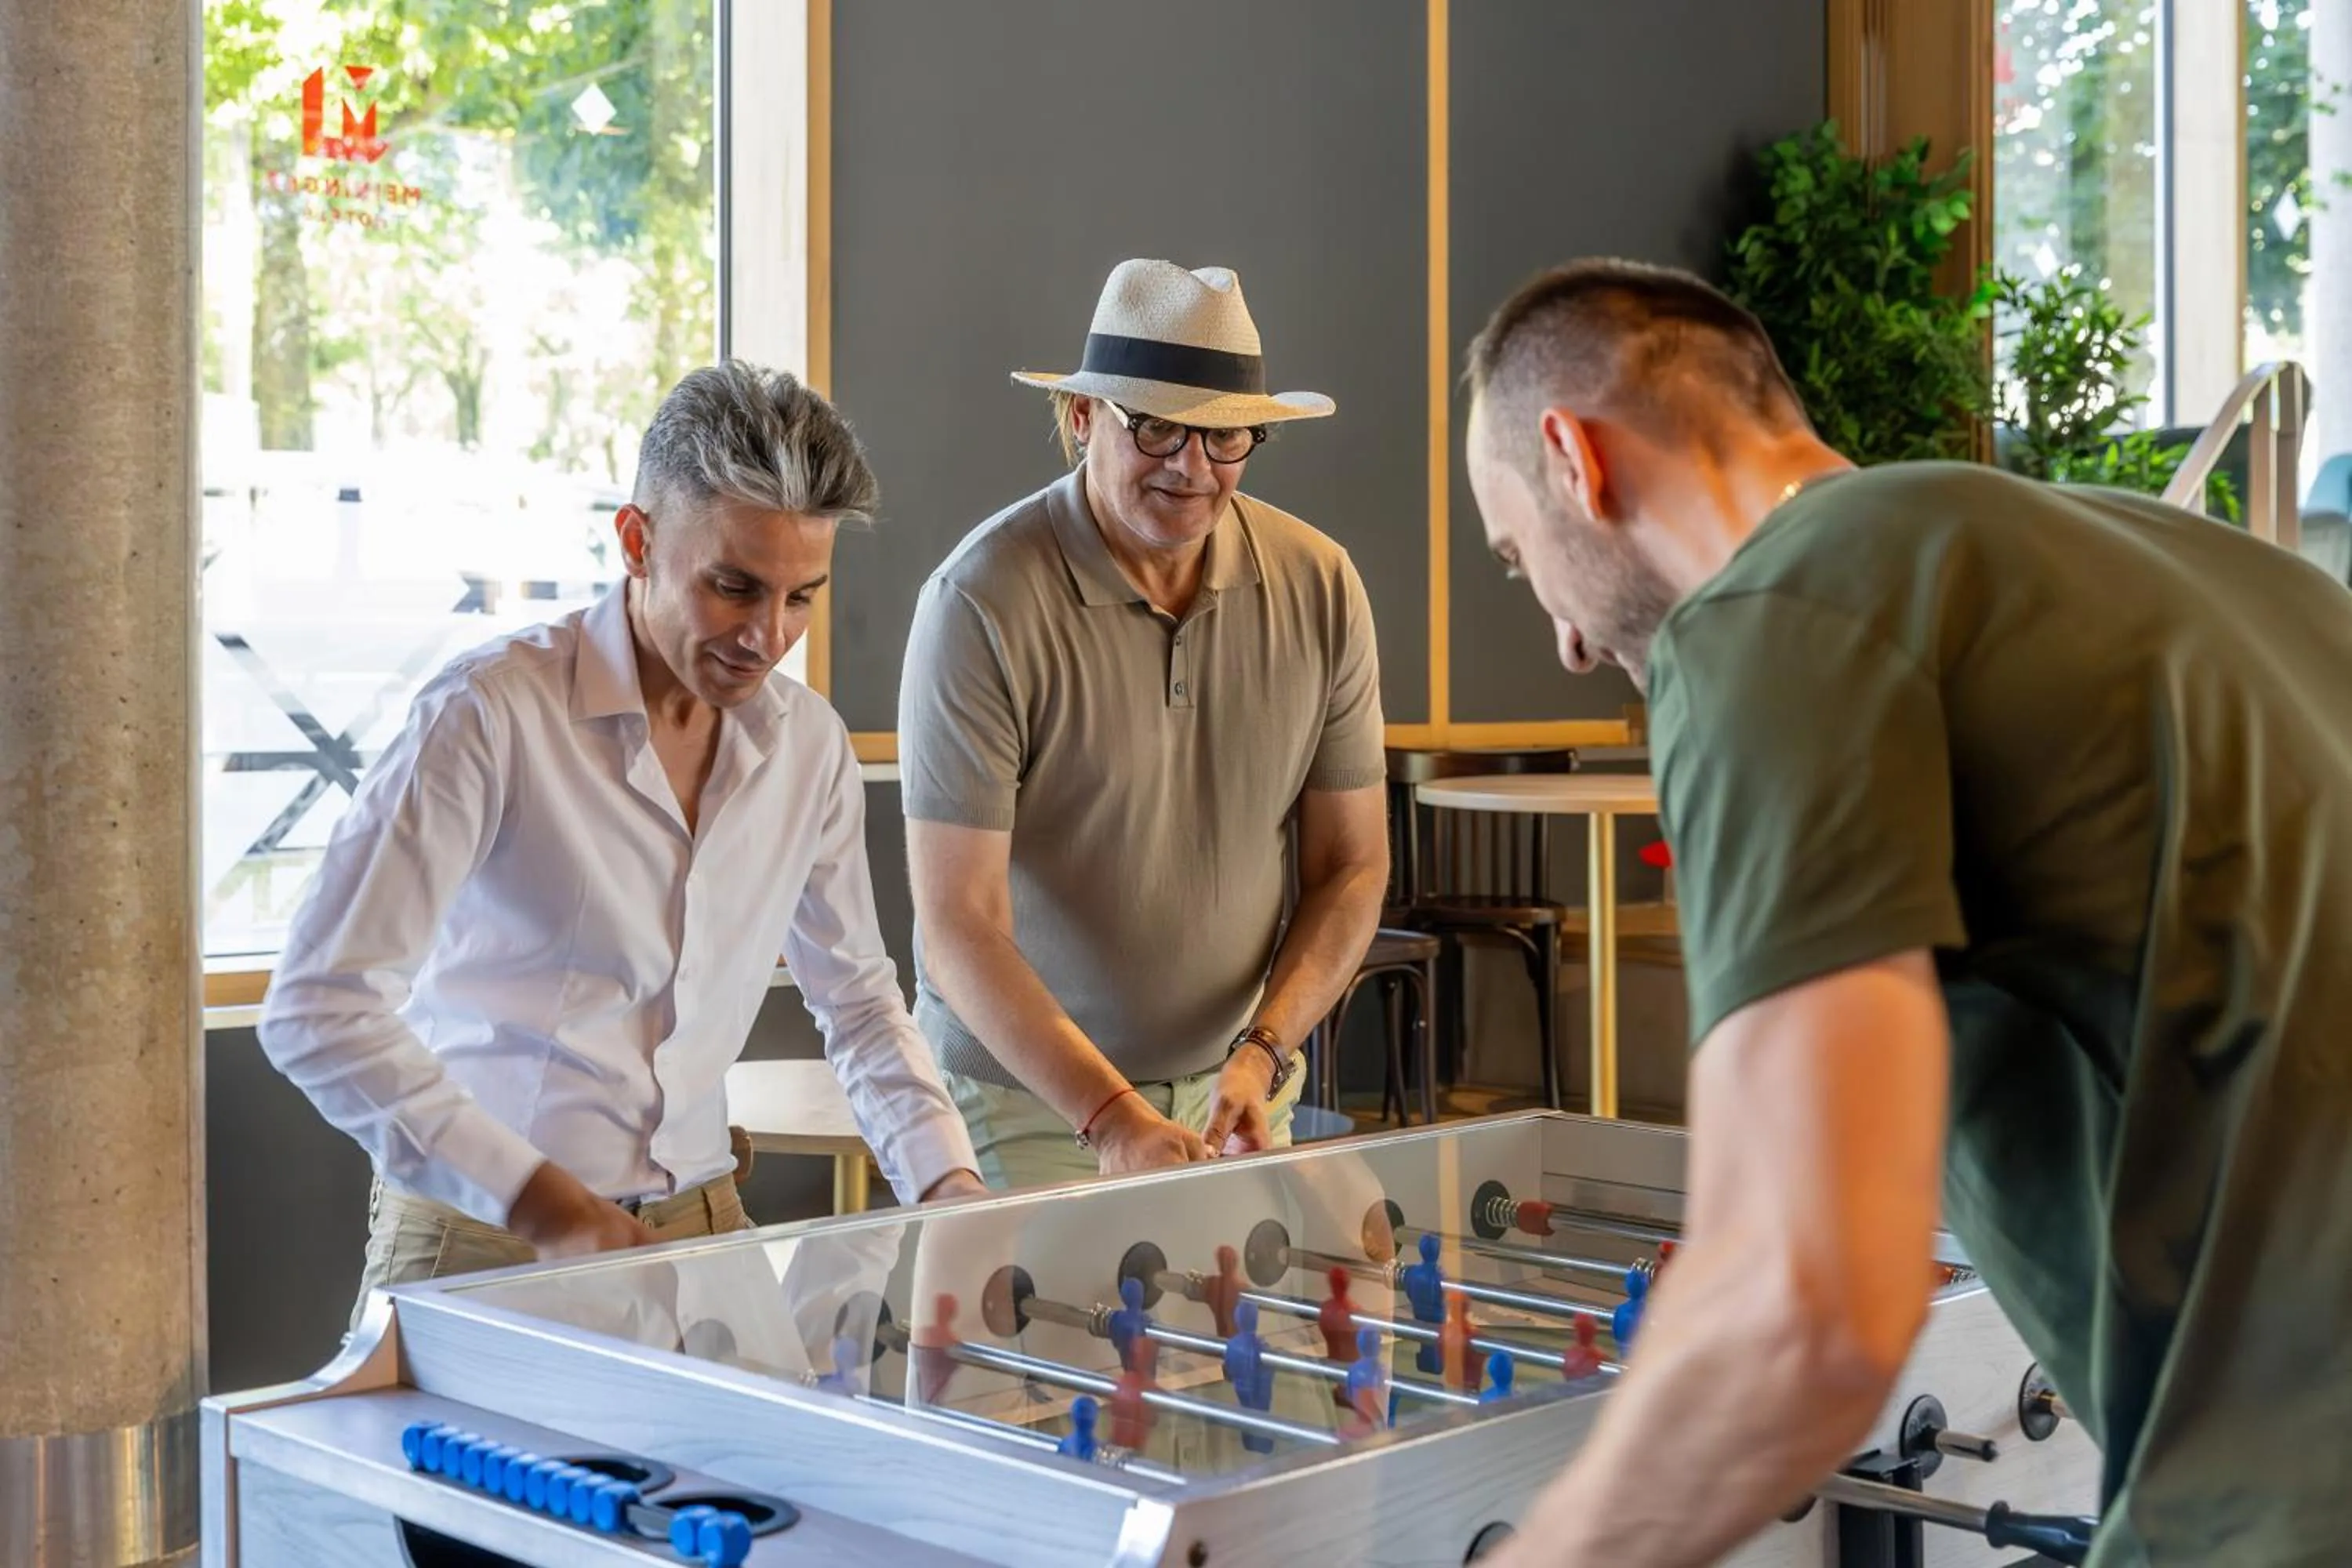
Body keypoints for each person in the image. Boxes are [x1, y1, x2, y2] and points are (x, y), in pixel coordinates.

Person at [1463, 258, 2352, 1566]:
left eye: (1515, 556)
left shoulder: (1769, 612)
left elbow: (1806, 1310)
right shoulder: (2242, 582)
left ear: (1575, 462)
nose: (1566, 646)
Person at [260, 361, 985, 1326]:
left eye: (801, 596)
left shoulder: (808, 748)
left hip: (706, 1225)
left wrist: (948, 1186)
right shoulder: (488, 714)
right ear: (637, 540)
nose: (768, 635)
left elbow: (856, 999)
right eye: (734, 587)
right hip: (487, 1239)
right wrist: (544, 1203)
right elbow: (317, 1004)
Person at [899, 258, 1390, 1188]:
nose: (1192, 468)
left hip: (1239, 1090)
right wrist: (1110, 1113)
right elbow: (958, 921)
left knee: (1229, 1340)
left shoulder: (1323, 585)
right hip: (1023, 1105)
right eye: (1159, 426)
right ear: (1083, 417)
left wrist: (1267, 1050)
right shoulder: (979, 600)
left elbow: (1353, 866)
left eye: (1225, 435)